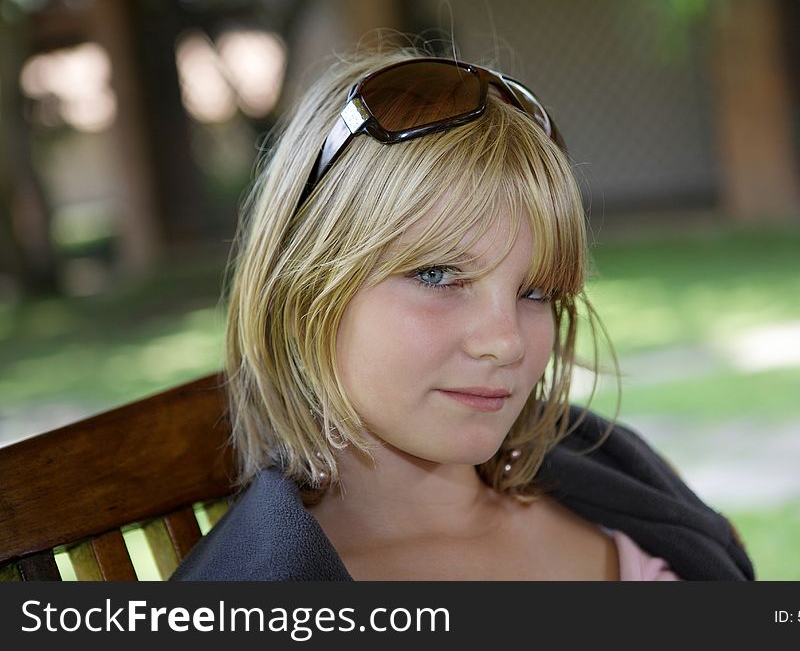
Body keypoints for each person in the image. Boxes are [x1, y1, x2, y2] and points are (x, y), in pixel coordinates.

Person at [172, 47, 755, 581]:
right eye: (437, 275)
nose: (505, 343)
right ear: (303, 294)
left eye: (535, 291)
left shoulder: (619, 480)